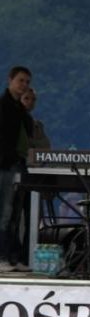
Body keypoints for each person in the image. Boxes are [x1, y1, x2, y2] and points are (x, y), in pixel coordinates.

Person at [8, 88, 52, 270]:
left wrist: (30, 146)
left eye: (33, 100)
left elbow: (45, 147)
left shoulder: (36, 125)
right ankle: (12, 256)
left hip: (32, 174)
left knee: (32, 216)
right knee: (13, 217)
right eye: (27, 99)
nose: (30, 103)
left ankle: (27, 257)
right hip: (12, 174)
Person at [0, 67, 32, 272]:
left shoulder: (21, 110)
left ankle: (13, 256)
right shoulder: (3, 106)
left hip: (19, 164)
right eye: (21, 80)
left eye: (27, 82)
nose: (24, 85)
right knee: (4, 212)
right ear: (10, 80)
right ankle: (2, 256)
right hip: (5, 165)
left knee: (15, 215)